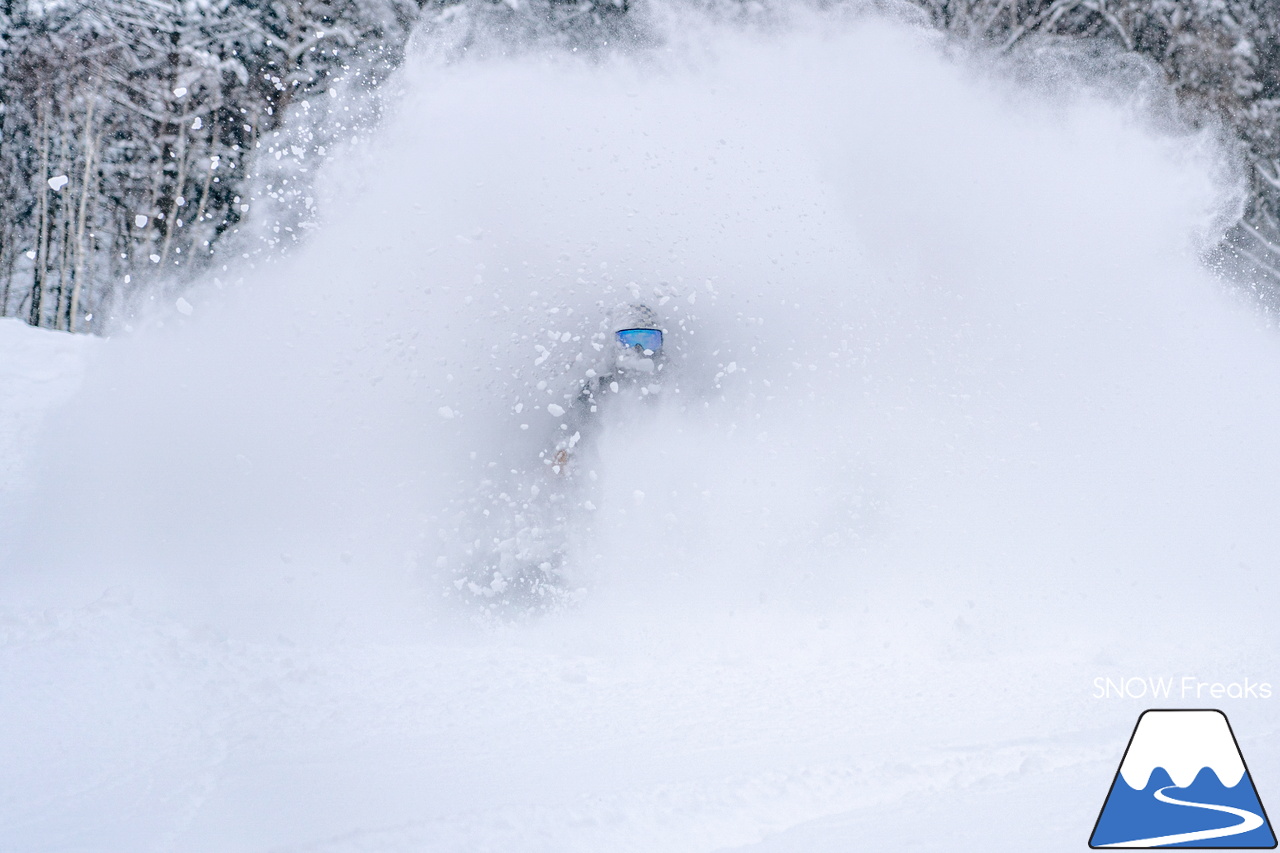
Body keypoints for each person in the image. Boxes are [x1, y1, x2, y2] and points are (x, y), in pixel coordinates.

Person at [549, 302, 666, 474]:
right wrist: (564, 453)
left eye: (649, 340)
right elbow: (570, 430)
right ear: (615, 344)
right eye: (630, 340)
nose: (639, 349)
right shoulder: (598, 389)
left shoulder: (675, 384)